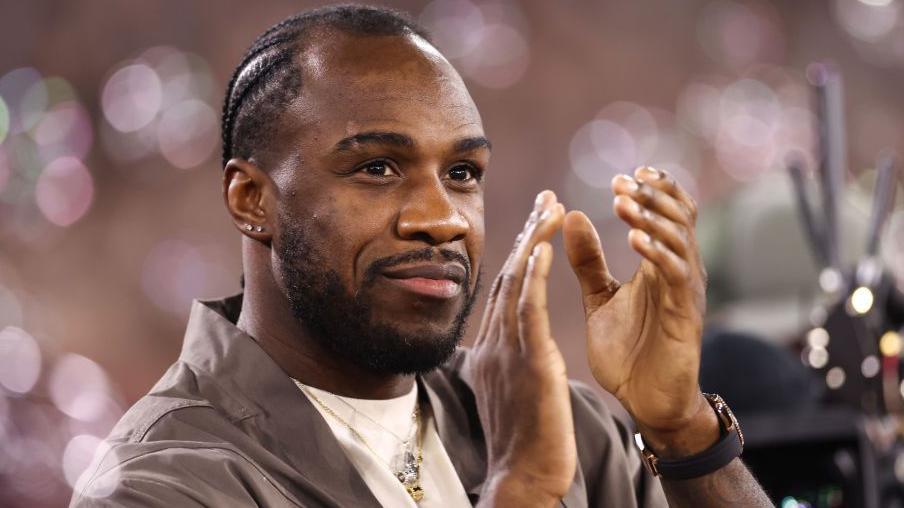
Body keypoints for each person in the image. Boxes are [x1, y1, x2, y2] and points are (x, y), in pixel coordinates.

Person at [71, 5, 772, 507]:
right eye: (377, 167)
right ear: (252, 199)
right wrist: (519, 491)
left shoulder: (570, 424)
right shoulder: (160, 487)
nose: (440, 219)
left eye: (462, 174)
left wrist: (680, 428)